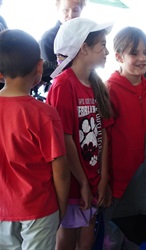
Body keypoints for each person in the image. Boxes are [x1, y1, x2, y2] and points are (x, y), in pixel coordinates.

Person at [46, 17, 113, 250]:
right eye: (102, 45)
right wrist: (83, 181)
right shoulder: (63, 85)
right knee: (66, 240)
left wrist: (103, 178)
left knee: (86, 242)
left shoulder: (96, 84)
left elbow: (103, 133)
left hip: (93, 183)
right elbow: (64, 139)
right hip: (73, 185)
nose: (107, 51)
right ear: (83, 48)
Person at [0, 29, 70, 249]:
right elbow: (61, 170)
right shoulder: (44, 114)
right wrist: (60, 208)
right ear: (40, 66)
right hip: (39, 210)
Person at [104, 26, 146, 249]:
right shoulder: (108, 91)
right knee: (113, 242)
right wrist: (103, 182)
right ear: (118, 56)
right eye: (134, 53)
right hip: (117, 187)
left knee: (139, 241)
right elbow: (103, 142)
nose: (142, 58)